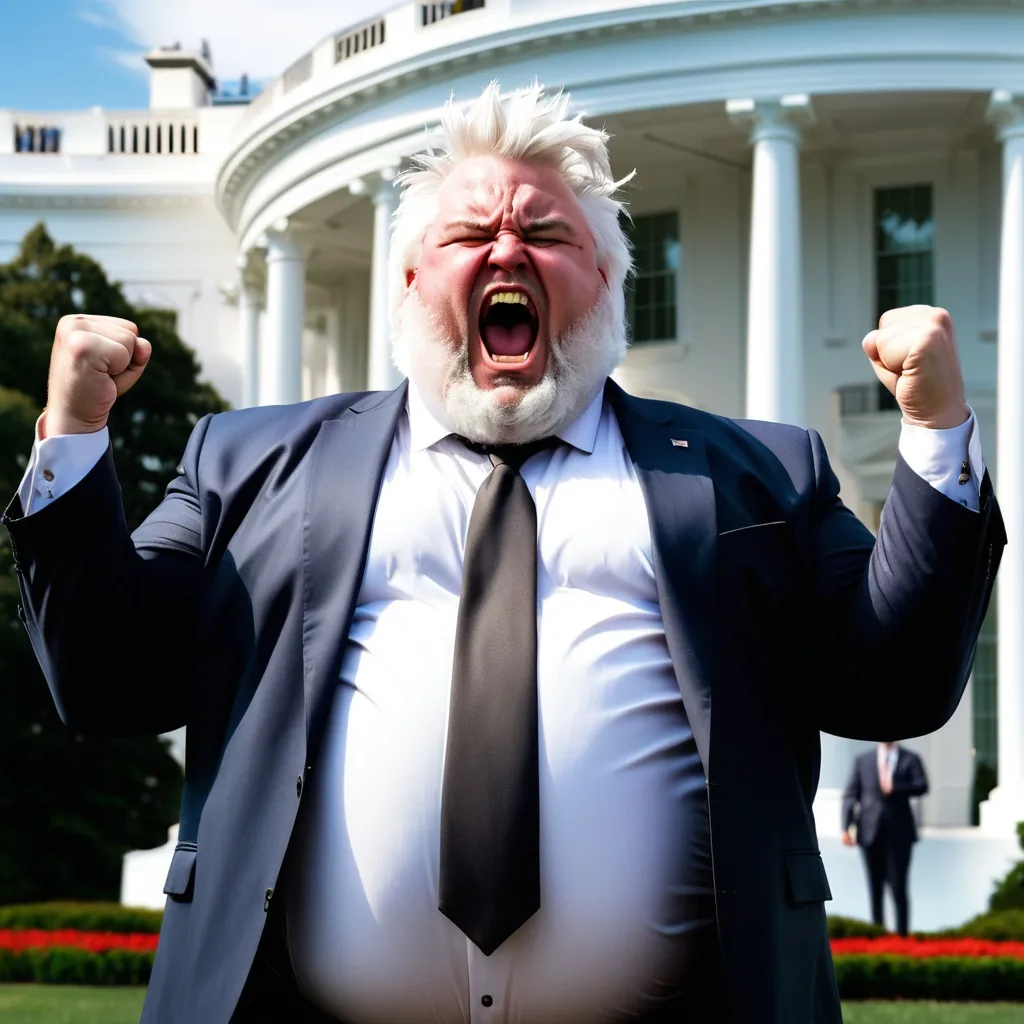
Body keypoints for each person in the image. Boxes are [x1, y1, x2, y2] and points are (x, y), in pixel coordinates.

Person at [2, 82, 1004, 1024]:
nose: (507, 251)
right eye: (471, 233)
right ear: (407, 279)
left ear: (607, 279)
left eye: (546, 233)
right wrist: (76, 441)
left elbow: (894, 683)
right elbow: (105, 680)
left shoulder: (754, 474)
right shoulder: (250, 464)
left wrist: (932, 439)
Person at [842, 743, 929, 936]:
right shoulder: (863, 760)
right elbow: (851, 795)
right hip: (869, 831)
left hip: (899, 833)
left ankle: (902, 935)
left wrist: (896, 788)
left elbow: (922, 785)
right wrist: (845, 826)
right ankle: (877, 933)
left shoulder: (910, 758)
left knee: (899, 886)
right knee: (875, 887)